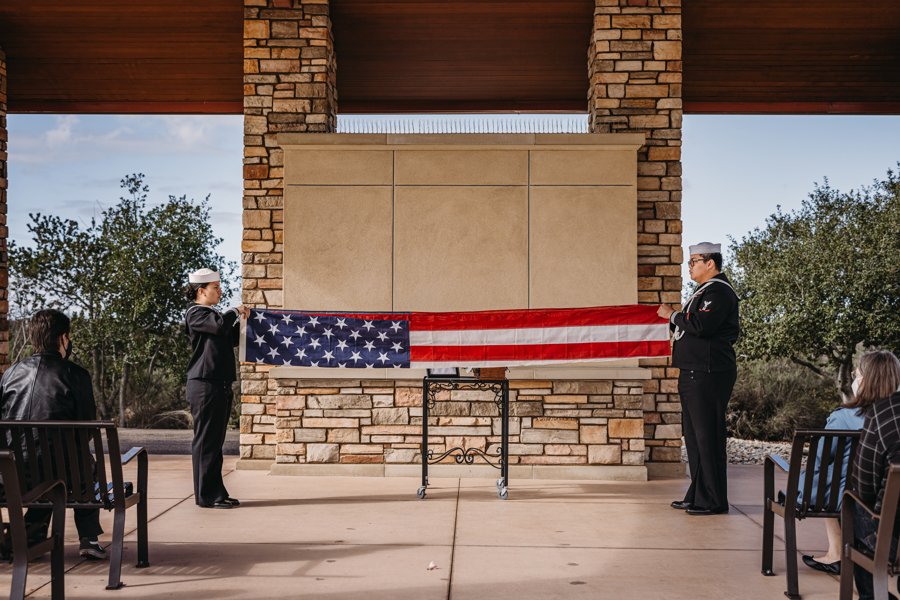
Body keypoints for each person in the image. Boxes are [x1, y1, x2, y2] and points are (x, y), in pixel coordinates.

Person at [0, 309, 107, 559]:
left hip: (11, 476)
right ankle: (88, 537)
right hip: (65, 477)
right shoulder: (76, 375)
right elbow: (87, 429)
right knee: (81, 461)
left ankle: (33, 533)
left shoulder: (10, 374)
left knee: (44, 465)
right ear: (63, 338)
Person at [657, 242, 740, 516]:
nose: (689, 266)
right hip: (694, 372)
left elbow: (702, 326)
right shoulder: (704, 292)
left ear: (710, 263)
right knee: (694, 438)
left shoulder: (718, 291)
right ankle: (699, 494)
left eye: (694, 261)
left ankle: (714, 500)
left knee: (708, 436)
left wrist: (672, 315)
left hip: (708, 373)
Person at [184, 268, 248, 509]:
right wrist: (234, 311)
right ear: (201, 291)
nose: (220, 291)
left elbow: (228, 336)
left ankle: (216, 492)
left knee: (215, 442)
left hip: (218, 384)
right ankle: (206, 496)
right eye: (215, 287)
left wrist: (243, 321)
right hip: (204, 385)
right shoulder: (195, 313)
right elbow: (221, 326)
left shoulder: (212, 315)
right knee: (206, 442)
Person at [848, 350, 900, 600]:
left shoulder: (881, 414)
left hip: (889, 534)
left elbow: (864, 486)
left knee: (855, 508)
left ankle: (871, 595)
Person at [797, 394, 865, 574]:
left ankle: (836, 553)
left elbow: (820, 457)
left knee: (828, 484)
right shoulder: (891, 418)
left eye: (857, 374)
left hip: (844, 495)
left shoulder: (843, 417)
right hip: (884, 494)